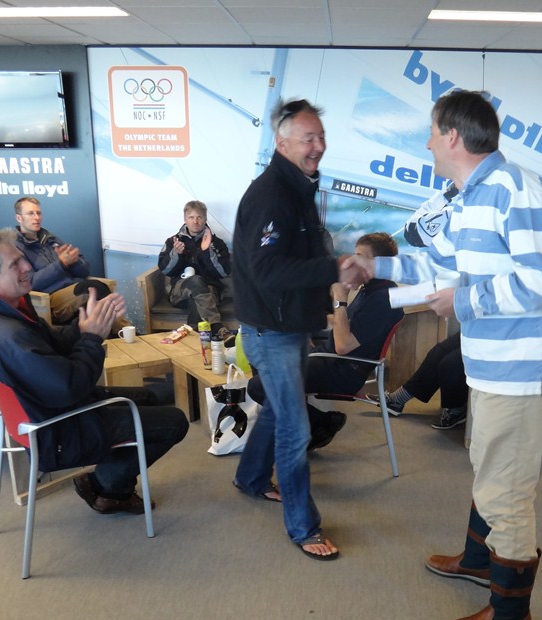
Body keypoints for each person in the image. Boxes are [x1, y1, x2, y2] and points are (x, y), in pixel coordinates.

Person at [346, 90, 542, 620]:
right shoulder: (471, 196)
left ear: (453, 136)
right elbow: (440, 264)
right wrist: (373, 268)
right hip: (496, 363)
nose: (427, 142)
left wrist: (465, 301)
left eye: (432, 132)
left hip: (525, 369)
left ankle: (510, 613)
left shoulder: (517, 190)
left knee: (506, 488)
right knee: (489, 465)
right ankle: (479, 560)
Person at [0, 226, 189, 514]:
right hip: (58, 431)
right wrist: (91, 337)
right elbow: (70, 387)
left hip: (47, 413)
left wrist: (81, 327)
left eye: (22, 258)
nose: (27, 266)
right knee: (176, 422)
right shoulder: (7, 335)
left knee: (149, 398)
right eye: (15, 264)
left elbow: (52, 348)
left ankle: (107, 482)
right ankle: (107, 486)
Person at [230, 98, 357, 561]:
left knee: (280, 412)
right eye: (309, 139)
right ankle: (304, 527)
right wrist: (332, 269)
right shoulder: (272, 195)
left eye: (321, 137)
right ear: (282, 144)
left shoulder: (297, 187)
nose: (318, 146)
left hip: (289, 325)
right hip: (271, 331)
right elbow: (266, 270)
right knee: (295, 428)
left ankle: (250, 477)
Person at [246, 232, 404, 451]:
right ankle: (306, 430)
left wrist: (339, 299)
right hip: (332, 360)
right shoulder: (371, 290)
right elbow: (346, 325)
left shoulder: (383, 300)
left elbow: (343, 346)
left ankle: (321, 423)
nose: (351, 263)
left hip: (343, 371)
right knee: (266, 361)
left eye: (359, 257)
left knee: (259, 386)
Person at [13, 196, 112, 325]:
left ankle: (121, 333)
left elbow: (84, 272)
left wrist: (74, 261)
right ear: (19, 218)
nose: (37, 217)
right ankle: (123, 332)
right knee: (96, 289)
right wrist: (61, 264)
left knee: (100, 292)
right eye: (31, 213)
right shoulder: (15, 247)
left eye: (39, 213)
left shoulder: (50, 239)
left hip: (73, 286)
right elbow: (29, 283)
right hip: (50, 298)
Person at [158, 200, 233, 340]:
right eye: (191, 217)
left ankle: (193, 340)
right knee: (196, 281)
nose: (195, 221)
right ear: (185, 219)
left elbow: (223, 272)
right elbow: (165, 270)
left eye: (199, 217)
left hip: (210, 292)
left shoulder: (216, 243)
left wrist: (207, 251)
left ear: (205, 219)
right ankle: (217, 327)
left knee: (198, 299)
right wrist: (176, 254)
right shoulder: (173, 241)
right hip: (179, 294)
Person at [371, 331, 467, 430]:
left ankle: (457, 410)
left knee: (450, 363)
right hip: (474, 329)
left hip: (479, 342)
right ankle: (398, 399)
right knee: (437, 352)